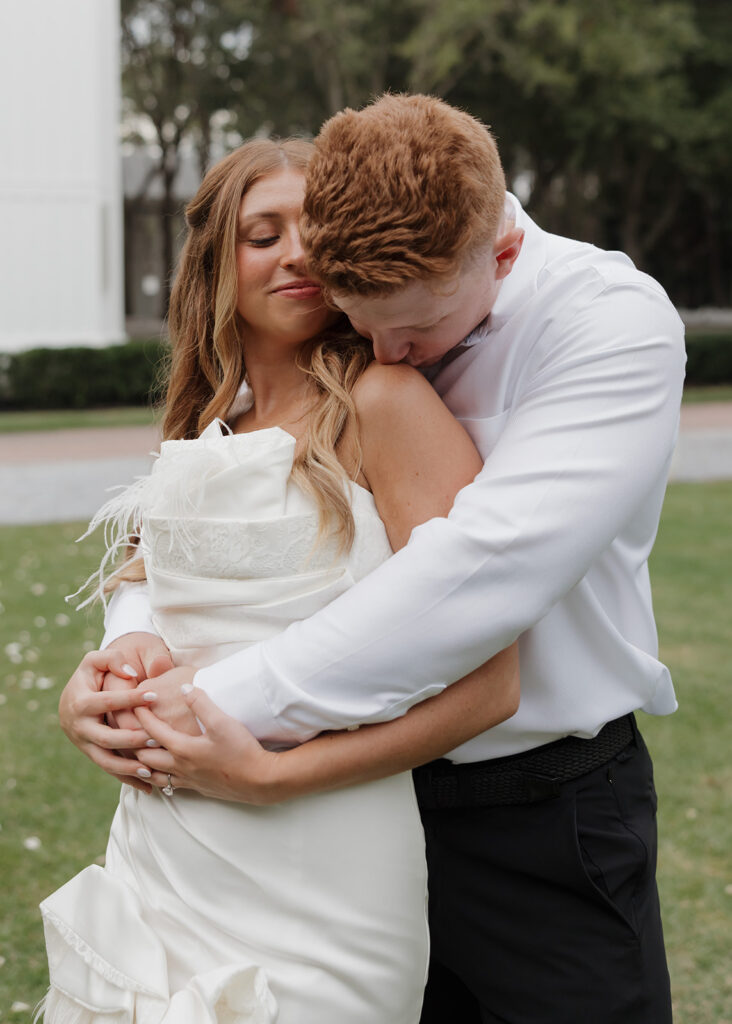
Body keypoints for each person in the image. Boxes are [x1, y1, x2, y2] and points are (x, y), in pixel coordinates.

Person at [61, 94, 685, 1023]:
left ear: (501, 256)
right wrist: (116, 668)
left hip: (533, 799)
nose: (396, 354)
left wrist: (202, 721)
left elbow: (475, 582)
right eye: (261, 236)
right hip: (326, 803)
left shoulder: (593, 326)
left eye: (416, 334)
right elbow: (161, 559)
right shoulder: (271, 393)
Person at [39, 137, 521, 1024]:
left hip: (323, 852)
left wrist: (271, 780)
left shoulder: (388, 401)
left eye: (316, 231)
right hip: (168, 841)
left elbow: (492, 685)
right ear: (216, 261)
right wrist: (100, 679)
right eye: (264, 235)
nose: (297, 253)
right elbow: (158, 576)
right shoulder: (213, 416)